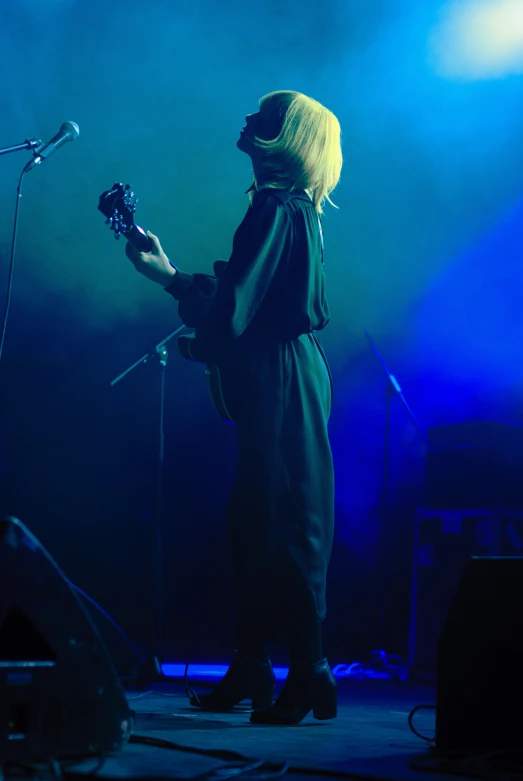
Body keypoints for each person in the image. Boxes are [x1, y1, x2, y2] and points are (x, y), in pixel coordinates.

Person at [125, 90, 342, 725]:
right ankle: (256, 665)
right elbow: (244, 303)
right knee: (258, 516)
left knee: (284, 516)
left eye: (263, 115)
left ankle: (309, 671)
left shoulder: (275, 209)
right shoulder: (285, 208)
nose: (248, 119)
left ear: (285, 137)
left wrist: (183, 305)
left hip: (281, 371)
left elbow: (235, 312)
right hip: (281, 368)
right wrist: (172, 277)